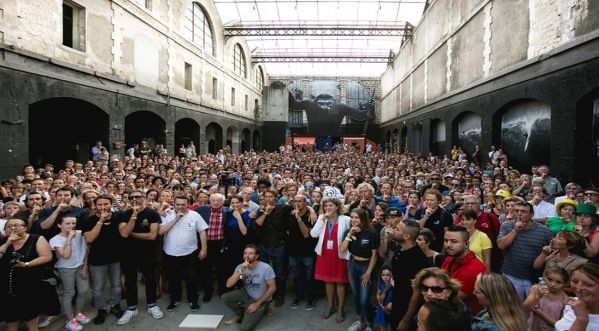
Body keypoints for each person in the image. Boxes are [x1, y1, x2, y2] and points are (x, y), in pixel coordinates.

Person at [117, 190, 164, 325]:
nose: (134, 199)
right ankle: (131, 308)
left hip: (147, 253)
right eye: (131, 197)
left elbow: (152, 236)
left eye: (137, 197)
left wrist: (131, 233)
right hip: (128, 254)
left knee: (150, 279)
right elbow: (124, 234)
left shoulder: (152, 214)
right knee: (130, 281)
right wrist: (133, 217)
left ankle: (152, 305)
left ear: (143, 198)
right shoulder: (123, 215)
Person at [0, 218, 54, 331]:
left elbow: (47, 256)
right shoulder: (3, 241)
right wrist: (7, 243)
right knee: (11, 316)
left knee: (31, 316)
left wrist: (26, 264)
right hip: (7, 287)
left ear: (25, 227)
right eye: (9, 226)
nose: (12, 228)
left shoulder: (36, 238)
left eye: (16, 225)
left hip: (30, 284)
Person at [160, 195, 208, 312]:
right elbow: (161, 231)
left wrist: (204, 248)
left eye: (183, 204)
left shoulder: (195, 215)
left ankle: (193, 299)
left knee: (192, 277)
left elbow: (202, 231)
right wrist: (175, 219)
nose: (180, 207)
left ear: (188, 204)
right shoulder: (167, 214)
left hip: (190, 252)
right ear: (174, 204)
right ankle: (174, 299)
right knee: (173, 278)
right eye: (178, 204)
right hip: (171, 252)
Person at [497, 201, 552, 301]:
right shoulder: (507, 225)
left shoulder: (545, 231)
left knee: (533, 310)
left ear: (531, 214)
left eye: (523, 211)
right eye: (516, 211)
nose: (519, 214)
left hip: (533, 279)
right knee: (511, 308)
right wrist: (515, 231)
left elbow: (551, 253)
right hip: (511, 275)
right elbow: (501, 245)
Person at [82, 195, 124, 324]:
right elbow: (89, 239)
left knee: (116, 284)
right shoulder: (89, 220)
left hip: (116, 258)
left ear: (111, 204)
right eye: (99, 205)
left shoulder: (119, 217)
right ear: (95, 206)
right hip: (97, 260)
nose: (103, 207)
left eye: (106, 204)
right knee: (98, 287)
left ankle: (115, 306)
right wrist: (100, 221)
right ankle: (101, 309)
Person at [310, 197, 351, 323]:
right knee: (328, 281)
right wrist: (322, 220)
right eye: (326, 206)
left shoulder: (346, 219)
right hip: (324, 254)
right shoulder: (322, 218)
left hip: (339, 254)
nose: (328, 208)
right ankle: (330, 306)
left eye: (331, 206)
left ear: (337, 207)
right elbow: (313, 234)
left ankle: (340, 309)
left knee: (340, 282)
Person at [49, 216, 91, 331]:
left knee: (83, 290)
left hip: (81, 266)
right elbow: (66, 256)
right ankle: (69, 319)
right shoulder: (55, 239)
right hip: (66, 269)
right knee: (69, 292)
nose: (71, 226)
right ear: (59, 225)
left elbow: (86, 250)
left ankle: (78, 313)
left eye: (73, 223)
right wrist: (69, 239)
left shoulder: (80, 233)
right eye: (67, 223)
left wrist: (85, 267)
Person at [341, 208, 380, 331]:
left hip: (365, 266)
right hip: (352, 265)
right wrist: (349, 234)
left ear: (363, 219)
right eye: (352, 217)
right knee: (356, 296)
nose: (353, 220)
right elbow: (341, 250)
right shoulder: (348, 231)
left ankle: (369, 323)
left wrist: (368, 272)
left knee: (364, 299)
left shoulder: (371, 233)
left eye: (356, 217)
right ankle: (360, 321)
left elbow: (375, 255)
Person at [222, 244, 276, 331]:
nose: (247, 256)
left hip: (260, 299)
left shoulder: (266, 268)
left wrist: (257, 303)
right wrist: (241, 270)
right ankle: (239, 315)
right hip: (246, 293)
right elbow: (228, 284)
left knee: (244, 328)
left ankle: (266, 307)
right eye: (245, 253)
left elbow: (272, 288)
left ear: (257, 256)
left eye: (251, 253)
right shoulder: (241, 267)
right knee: (225, 298)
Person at [388, 220, 430, 330]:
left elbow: (416, 293)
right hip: (397, 301)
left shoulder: (418, 259)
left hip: (406, 309)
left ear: (406, 236)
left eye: (398, 229)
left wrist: (406, 319)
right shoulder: (400, 248)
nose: (394, 230)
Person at [194, 193, 234, 302]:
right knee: (205, 269)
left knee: (222, 269)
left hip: (221, 244)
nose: (216, 203)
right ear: (209, 201)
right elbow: (188, 213)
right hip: (205, 244)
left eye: (219, 200)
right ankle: (208, 292)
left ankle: (222, 290)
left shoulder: (229, 211)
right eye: (213, 200)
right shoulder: (202, 209)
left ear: (223, 201)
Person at [442, 225, 487, 315]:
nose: (448, 245)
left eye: (454, 241)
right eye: (446, 240)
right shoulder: (450, 258)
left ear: (467, 244)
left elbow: (451, 298)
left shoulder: (474, 269)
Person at [287, 194, 317, 310]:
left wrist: (299, 218)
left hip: (307, 252)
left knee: (309, 277)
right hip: (293, 252)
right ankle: (298, 297)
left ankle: (310, 299)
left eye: (300, 201)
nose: (297, 203)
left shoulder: (311, 216)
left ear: (305, 203)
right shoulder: (290, 214)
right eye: (295, 201)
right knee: (297, 276)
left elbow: (306, 234)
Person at [523, 266, 570, 331]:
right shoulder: (536, 289)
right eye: (550, 279)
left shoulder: (565, 300)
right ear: (544, 277)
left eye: (558, 282)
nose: (553, 284)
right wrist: (538, 296)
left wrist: (537, 310)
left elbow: (559, 325)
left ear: (565, 284)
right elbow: (525, 308)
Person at [554, 263, 599, 331]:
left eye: (589, 285)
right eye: (575, 281)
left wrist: (581, 319)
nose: (578, 288)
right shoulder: (573, 303)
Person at [374, 266, 393, 331]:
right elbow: (378, 293)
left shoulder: (394, 286)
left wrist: (392, 303)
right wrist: (378, 297)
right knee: (382, 325)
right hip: (382, 308)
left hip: (391, 308)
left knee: (392, 325)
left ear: (392, 275)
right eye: (383, 275)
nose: (385, 277)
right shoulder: (381, 284)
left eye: (388, 275)